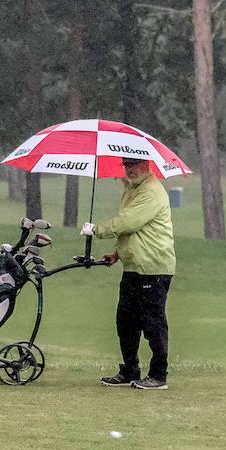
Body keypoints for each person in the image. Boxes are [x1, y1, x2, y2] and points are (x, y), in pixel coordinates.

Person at [81, 155, 175, 390]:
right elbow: (135, 234)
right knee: (126, 322)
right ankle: (130, 370)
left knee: (153, 323)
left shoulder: (151, 191)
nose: (130, 170)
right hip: (134, 267)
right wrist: (117, 254)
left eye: (134, 165)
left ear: (147, 165)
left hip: (153, 268)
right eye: (126, 165)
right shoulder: (132, 188)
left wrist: (97, 230)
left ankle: (158, 375)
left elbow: (129, 223)